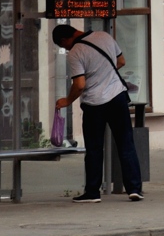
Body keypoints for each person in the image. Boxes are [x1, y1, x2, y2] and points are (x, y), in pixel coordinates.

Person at [53, 24, 143, 202]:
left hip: (95, 104)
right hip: (117, 97)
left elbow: (79, 84)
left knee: (94, 148)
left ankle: (93, 192)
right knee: (126, 144)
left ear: (64, 40)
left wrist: (67, 100)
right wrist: (105, 74)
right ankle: (134, 188)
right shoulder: (104, 36)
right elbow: (121, 61)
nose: (66, 49)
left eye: (63, 46)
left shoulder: (76, 52)